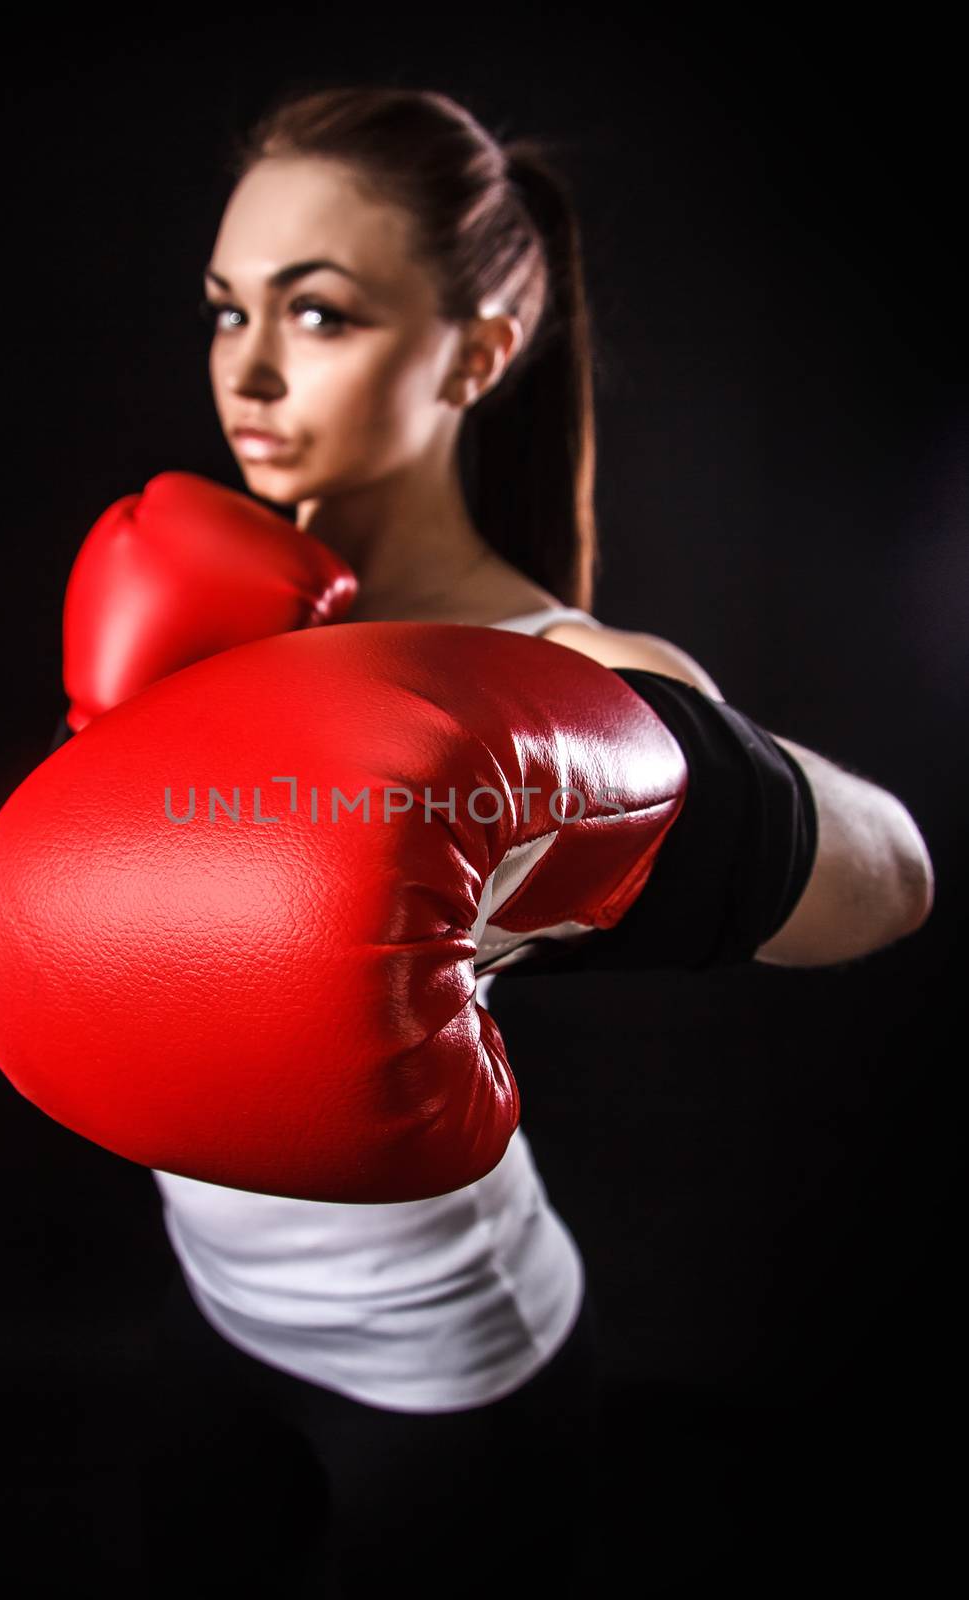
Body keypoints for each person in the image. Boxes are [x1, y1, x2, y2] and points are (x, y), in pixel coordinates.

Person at [111, 87, 932, 1595]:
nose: (254, 371)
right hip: (215, 1304)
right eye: (227, 313)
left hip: (444, 1366)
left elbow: (893, 879)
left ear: (478, 353)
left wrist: (644, 761)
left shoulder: (560, 668)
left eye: (323, 314)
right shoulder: (190, 610)